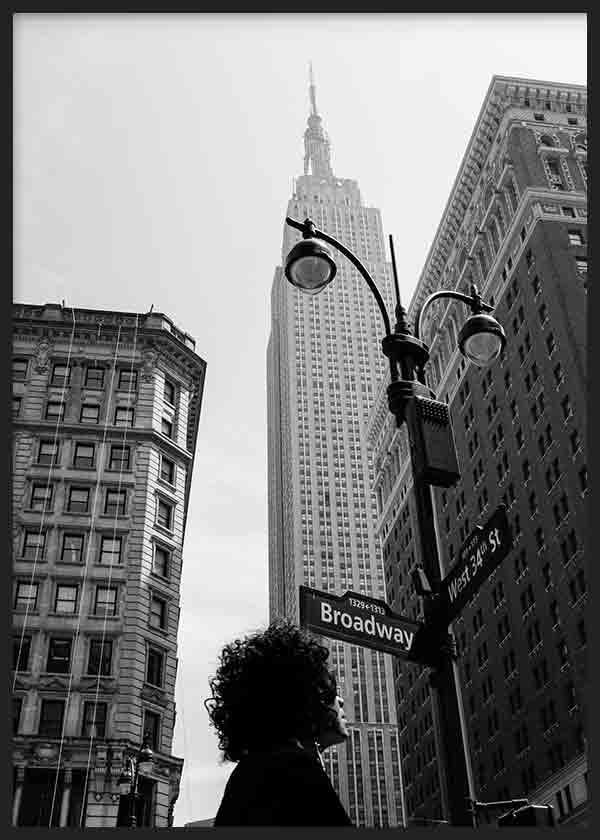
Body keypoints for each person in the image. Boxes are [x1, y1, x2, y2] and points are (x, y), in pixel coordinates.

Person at [206, 620, 353, 826]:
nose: (340, 700)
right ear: (303, 698)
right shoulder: (293, 768)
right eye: (329, 690)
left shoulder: (254, 770)